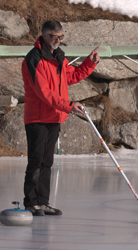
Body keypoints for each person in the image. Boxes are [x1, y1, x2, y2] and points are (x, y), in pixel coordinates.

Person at [22, 20, 100, 216]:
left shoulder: (58, 57)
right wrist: (69, 106)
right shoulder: (33, 59)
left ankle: (43, 202)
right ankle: (31, 203)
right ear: (44, 35)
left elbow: (70, 77)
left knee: (47, 162)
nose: (57, 40)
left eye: (60, 37)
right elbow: (43, 93)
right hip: (37, 118)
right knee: (36, 161)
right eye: (54, 36)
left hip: (54, 117)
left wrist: (89, 62)